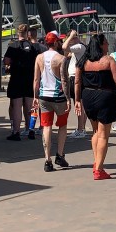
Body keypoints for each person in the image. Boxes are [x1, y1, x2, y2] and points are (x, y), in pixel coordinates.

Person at [74, 33, 116, 180]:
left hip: (88, 96)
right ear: (100, 45)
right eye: (105, 43)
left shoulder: (83, 61)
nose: (108, 45)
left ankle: (96, 161)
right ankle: (99, 169)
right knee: (104, 134)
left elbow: (77, 82)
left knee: (96, 131)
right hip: (105, 96)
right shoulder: (108, 60)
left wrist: (77, 100)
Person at [33, 30, 71, 171]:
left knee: (46, 126)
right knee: (62, 125)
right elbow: (64, 80)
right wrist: (68, 98)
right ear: (55, 42)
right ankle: (60, 154)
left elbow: (36, 79)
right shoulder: (61, 58)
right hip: (59, 97)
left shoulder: (39, 58)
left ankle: (47, 159)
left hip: (44, 96)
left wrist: (35, 96)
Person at [4, 24, 39, 141]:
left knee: (17, 106)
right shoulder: (33, 46)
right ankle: (30, 130)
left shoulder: (13, 46)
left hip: (16, 78)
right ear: (27, 32)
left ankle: (16, 132)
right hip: (30, 78)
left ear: (17, 32)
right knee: (30, 106)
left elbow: (6, 61)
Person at [62, 28, 88, 138]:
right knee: (79, 104)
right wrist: (70, 39)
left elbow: (64, 47)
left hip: (76, 77)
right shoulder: (77, 48)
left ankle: (80, 129)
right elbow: (65, 53)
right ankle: (81, 128)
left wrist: (71, 37)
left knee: (78, 104)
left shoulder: (79, 47)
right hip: (75, 77)